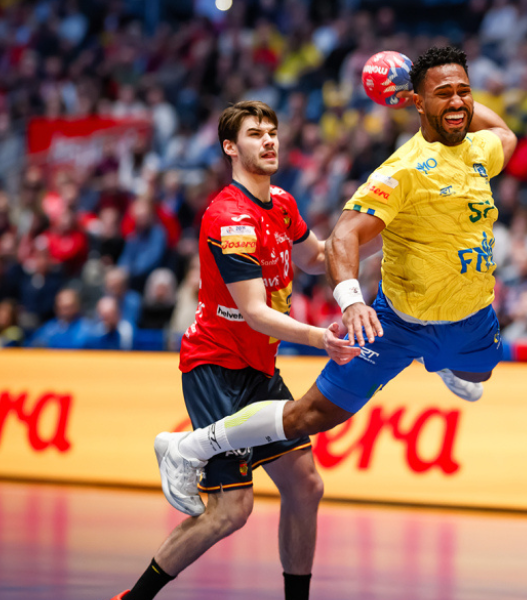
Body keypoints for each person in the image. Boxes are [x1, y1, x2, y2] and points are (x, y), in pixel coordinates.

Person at [151, 45, 516, 535]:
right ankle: (188, 447)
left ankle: (447, 360)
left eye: (464, 93)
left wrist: (456, 98)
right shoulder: (400, 170)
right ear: (415, 103)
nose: (457, 103)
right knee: (310, 417)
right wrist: (351, 300)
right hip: (398, 324)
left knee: (478, 375)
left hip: (471, 318)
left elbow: (504, 131)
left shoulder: (481, 151)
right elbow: (342, 238)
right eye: (442, 94)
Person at [110, 100, 363, 600]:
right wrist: (320, 338)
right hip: (216, 367)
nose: (268, 141)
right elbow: (255, 312)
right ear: (231, 147)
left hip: (258, 366)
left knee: (305, 486)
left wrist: (382, 240)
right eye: (254, 134)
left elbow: (314, 258)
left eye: (272, 132)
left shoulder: (284, 203)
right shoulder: (230, 218)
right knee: (231, 510)